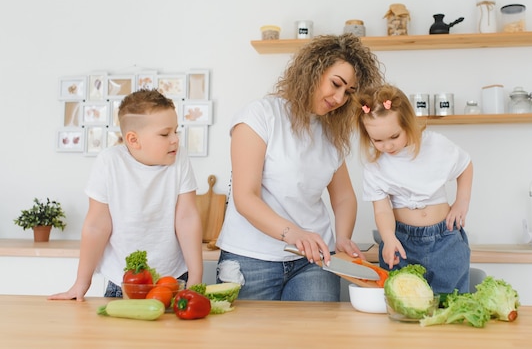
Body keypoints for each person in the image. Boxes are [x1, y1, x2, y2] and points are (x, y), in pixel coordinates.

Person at [215, 33, 385, 301]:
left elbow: (343, 197)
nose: (340, 98)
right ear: (313, 70)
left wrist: (342, 238)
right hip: (252, 258)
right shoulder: (260, 116)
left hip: (314, 261)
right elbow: (245, 198)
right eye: (336, 84)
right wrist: (294, 234)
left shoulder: (331, 133)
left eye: (348, 92)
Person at [49, 89, 203, 301]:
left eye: (176, 131)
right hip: (123, 282)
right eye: (165, 134)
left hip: (173, 278)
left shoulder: (180, 158)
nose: (175, 140)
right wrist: (81, 283)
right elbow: (96, 226)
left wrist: (196, 276)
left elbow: (187, 218)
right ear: (133, 139)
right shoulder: (109, 162)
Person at [356, 84, 473, 294]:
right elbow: (382, 209)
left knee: (452, 305)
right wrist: (389, 237)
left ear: (408, 123)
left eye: (394, 137)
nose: (387, 146)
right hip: (402, 243)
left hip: (446, 241)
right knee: (403, 305)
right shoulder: (375, 165)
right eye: (377, 140)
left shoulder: (435, 145)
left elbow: (465, 165)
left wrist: (461, 202)